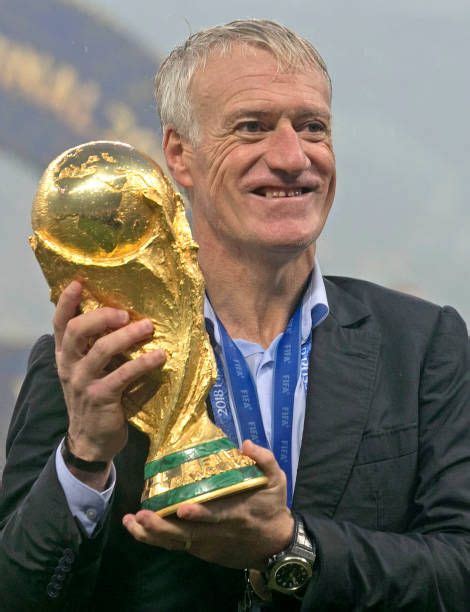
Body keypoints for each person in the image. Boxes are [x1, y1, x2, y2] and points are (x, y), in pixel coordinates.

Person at [1, 19, 469, 612]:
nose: (291, 157)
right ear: (179, 154)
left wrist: (286, 545)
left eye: (312, 127)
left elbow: (460, 571)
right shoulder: (97, 357)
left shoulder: (423, 347)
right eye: (251, 128)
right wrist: (85, 459)